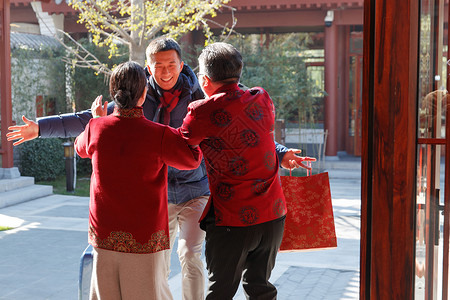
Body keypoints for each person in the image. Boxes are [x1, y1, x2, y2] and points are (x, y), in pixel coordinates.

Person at [7, 37, 312, 299]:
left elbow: (241, 129)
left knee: (192, 255)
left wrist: (280, 152)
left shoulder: (201, 100)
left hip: (196, 191)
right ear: (147, 68)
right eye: (158, 65)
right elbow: (88, 121)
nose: (165, 71)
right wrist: (40, 128)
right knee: (159, 263)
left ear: (184, 66)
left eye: (171, 64)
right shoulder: (139, 95)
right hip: (163, 196)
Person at [178, 42, 315, 299]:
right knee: (260, 288)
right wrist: (282, 152)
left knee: (220, 292)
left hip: (233, 220)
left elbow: (181, 141)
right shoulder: (261, 97)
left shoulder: (200, 113)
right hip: (272, 216)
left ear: (204, 80)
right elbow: (250, 135)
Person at [74, 61, 202, 299]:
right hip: (145, 236)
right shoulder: (158, 134)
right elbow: (192, 159)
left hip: (104, 233)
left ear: (115, 94)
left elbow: (81, 148)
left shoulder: (96, 128)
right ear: (144, 94)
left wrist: (97, 119)